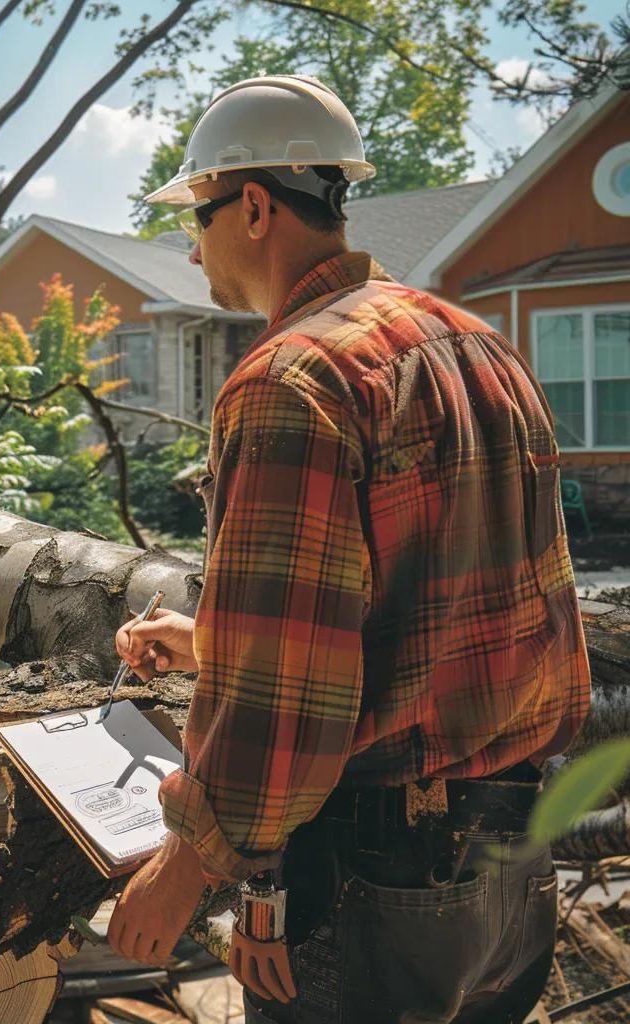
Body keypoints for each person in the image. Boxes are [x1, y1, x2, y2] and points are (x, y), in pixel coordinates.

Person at [106, 75, 590, 1024]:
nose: (189, 247)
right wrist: (217, 645)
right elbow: (459, 612)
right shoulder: (477, 344)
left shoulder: (292, 380)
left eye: (194, 219)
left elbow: (287, 694)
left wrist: (183, 868)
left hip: (379, 873)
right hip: (513, 858)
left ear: (251, 206)